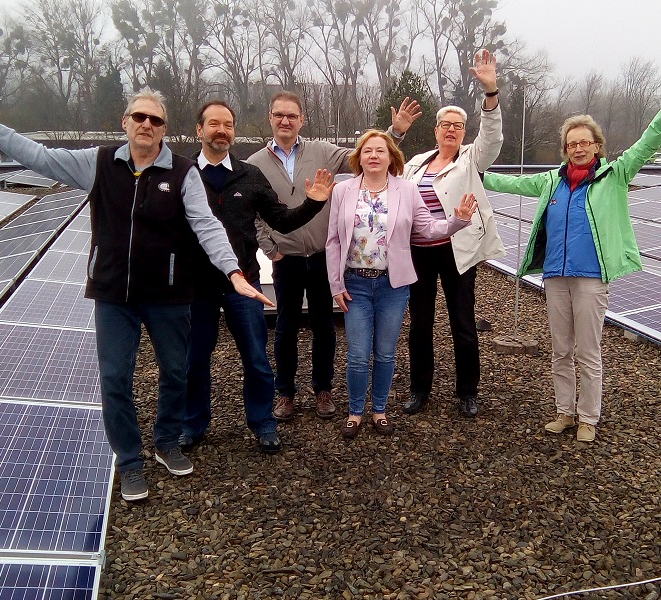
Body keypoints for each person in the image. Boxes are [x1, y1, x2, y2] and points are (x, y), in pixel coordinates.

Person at [0, 78, 271, 502]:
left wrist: (234, 273)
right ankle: (130, 460)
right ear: (126, 122)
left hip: (169, 295)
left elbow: (206, 226)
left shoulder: (182, 172)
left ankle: (167, 441)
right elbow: (39, 157)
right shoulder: (98, 163)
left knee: (176, 372)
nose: (147, 124)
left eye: (156, 120)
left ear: (165, 128)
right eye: (139, 116)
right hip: (113, 295)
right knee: (115, 377)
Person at [483, 70, 661, 442]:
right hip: (555, 276)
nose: (578, 148)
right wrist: (469, 171)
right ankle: (564, 412)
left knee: (588, 351)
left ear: (597, 146)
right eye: (572, 144)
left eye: (585, 142)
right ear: (565, 149)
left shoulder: (614, 176)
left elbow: (647, 143)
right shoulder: (550, 181)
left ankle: (588, 417)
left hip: (590, 278)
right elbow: (508, 182)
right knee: (560, 350)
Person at [247, 92, 421, 424]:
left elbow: (366, 156)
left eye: (292, 116)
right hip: (287, 258)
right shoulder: (255, 164)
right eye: (279, 115)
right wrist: (271, 248)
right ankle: (285, 393)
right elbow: (253, 212)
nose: (285, 121)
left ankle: (323, 389)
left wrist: (394, 133)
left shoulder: (322, 151)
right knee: (285, 327)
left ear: (302, 119)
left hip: (322, 255)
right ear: (270, 118)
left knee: (324, 326)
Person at [183, 101, 333, 454]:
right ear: (199, 130)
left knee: (256, 358)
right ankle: (192, 425)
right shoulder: (183, 173)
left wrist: (313, 203)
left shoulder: (249, 175)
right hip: (196, 286)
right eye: (214, 124)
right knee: (194, 359)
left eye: (228, 125)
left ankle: (263, 422)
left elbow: (280, 219)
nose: (222, 131)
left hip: (244, 283)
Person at [325, 130, 478, 439]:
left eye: (380, 150)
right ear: (359, 157)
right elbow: (333, 242)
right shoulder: (342, 191)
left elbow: (428, 228)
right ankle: (356, 412)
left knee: (384, 353)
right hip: (354, 284)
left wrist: (457, 221)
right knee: (356, 354)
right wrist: (335, 284)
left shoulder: (407, 190)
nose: (373, 156)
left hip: (392, 287)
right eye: (367, 151)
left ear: (391, 156)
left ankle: (379, 410)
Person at [402, 49, 505, 419]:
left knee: (462, 321)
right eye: (445, 124)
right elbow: (381, 164)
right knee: (421, 323)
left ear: (464, 133)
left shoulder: (472, 159)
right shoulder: (416, 164)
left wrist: (490, 93)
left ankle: (467, 391)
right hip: (419, 252)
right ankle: (419, 389)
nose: (450, 129)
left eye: (457, 126)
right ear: (435, 130)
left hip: (456, 251)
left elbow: (491, 138)